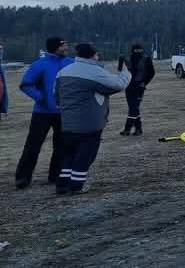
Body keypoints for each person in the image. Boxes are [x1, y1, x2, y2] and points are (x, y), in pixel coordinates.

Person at [54, 43, 130, 195]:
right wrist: (126, 73)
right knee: (85, 156)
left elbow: (56, 94)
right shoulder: (94, 72)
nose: (98, 56)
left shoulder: (63, 72)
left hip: (67, 123)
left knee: (69, 154)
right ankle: (76, 186)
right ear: (92, 55)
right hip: (89, 124)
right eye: (97, 54)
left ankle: (62, 185)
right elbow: (117, 85)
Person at [14, 37, 73, 189]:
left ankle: (56, 175)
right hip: (42, 112)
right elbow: (26, 85)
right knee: (33, 145)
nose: (66, 46)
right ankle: (22, 178)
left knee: (62, 145)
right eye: (63, 44)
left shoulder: (71, 63)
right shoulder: (40, 65)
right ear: (56, 47)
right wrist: (42, 98)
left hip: (64, 112)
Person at [118, 44, 156, 136]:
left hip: (139, 87)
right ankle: (138, 129)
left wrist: (145, 82)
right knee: (134, 108)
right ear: (132, 50)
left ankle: (128, 129)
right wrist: (120, 61)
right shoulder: (127, 58)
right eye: (136, 50)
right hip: (129, 86)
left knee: (133, 108)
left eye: (140, 50)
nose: (138, 52)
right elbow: (119, 69)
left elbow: (152, 72)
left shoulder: (146, 59)